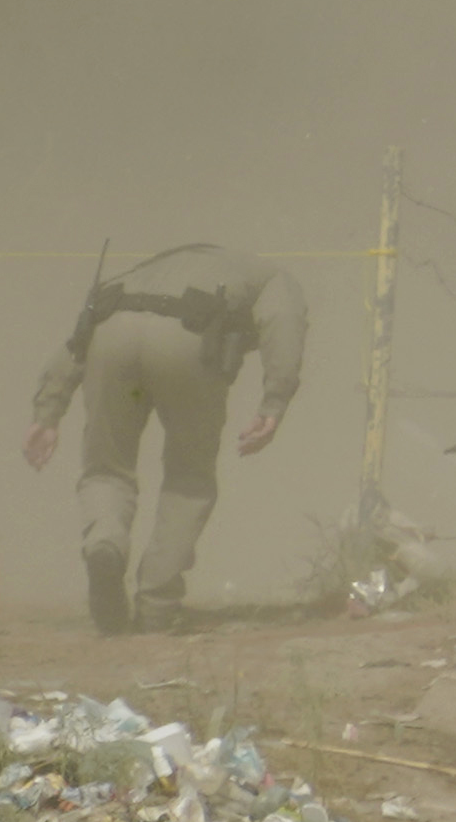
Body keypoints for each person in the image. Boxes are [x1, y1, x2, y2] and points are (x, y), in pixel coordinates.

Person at [21, 242, 310, 633]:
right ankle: (157, 606)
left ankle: (105, 541)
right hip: (187, 343)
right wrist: (273, 404)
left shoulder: (148, 267)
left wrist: (47, 411)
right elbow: (284, 322)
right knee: (188, 480)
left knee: (106, 468)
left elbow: (83, 332)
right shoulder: (273, 277)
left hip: (111, 334)